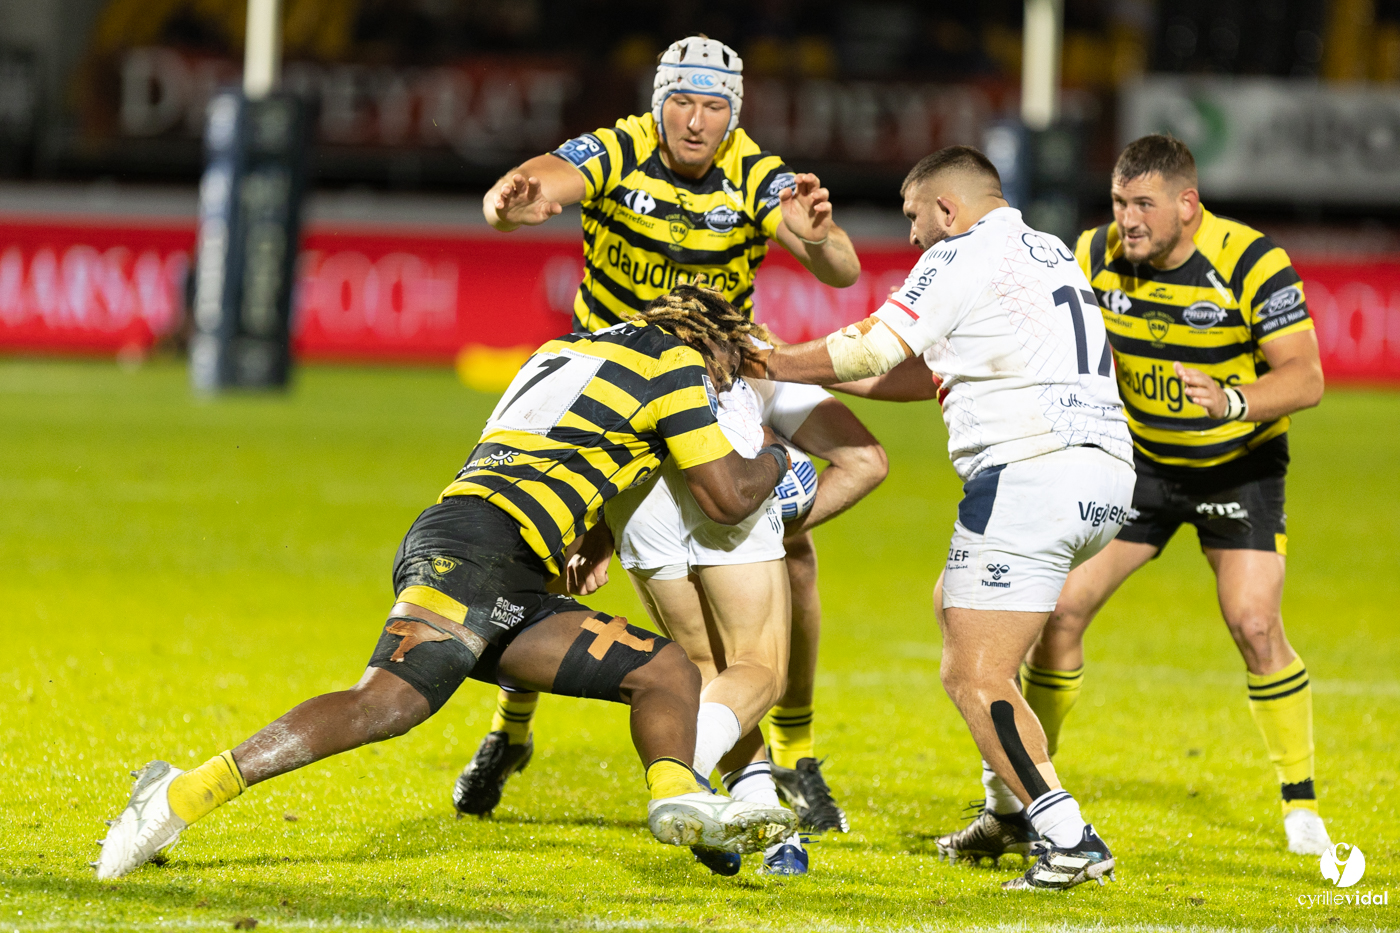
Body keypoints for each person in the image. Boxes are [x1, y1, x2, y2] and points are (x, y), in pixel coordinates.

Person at [93, 298, 799, 880]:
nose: (721, 388)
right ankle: (183, 791)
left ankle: (679, 797)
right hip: (480, 549)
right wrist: (776, 457)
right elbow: (727, 495)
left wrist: (590, 535)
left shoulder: (563, 350)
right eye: (725, 370)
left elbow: (569, 449)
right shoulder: (674, 362)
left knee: (665, 670)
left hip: (500, 558)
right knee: (386, 703)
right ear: (708, 342)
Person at [458, 34, 871, 833]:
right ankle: (511, 730)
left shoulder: (756, 170)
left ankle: (793, 753)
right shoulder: (623, 147)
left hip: (723, 380)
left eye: (713, 105)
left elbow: (842, 268)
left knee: (847, 479)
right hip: (614, 388)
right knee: (546, 552)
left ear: (733, 114)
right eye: (681, 101)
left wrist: (819, 235)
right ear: (659, 103)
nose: (695, 120)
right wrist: (511, 200)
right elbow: (541, 183)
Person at [752, 145, 1137, 891]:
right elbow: (914, 370)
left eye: (914, 218)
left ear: (947, 209)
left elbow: (869, 344)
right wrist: (801, 366)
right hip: (1104, 478)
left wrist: (767, 362)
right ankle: (1007, 814)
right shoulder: (1047, 251)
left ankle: (1069, 837)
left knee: (972, 670)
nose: (911, 236)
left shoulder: (961, 254)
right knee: (953, 607)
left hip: (1030, 474)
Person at [1006, 134, 1328, 856]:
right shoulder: (1094, 254)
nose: (1127, 219)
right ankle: (1033, 793)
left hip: (1236, 466)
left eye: (1143, 204)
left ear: (1187, 203)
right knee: (1061, 612)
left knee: (1254, 624)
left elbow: (1306, 377)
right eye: (1119, 202)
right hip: (1140, 467)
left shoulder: (1251, 261)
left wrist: (1232, 401)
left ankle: (1300, 801)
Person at [566, 290, 887, 876]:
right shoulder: (754, 361)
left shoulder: (628, 356)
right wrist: (778, 509)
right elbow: (866, 457)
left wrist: (595, 530)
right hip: (729, 478)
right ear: (730, 335)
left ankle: (768, 820)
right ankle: (682, 778)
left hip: (637, 501)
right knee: (758, 669)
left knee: (707, 670)